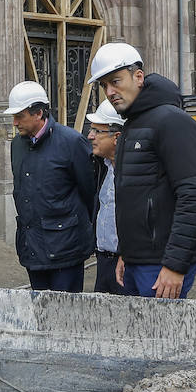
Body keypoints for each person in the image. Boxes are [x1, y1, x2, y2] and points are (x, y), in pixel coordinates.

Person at [88, 42, 196, 300]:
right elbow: (133, 197)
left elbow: (193, 197)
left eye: (116, 81)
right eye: (104, 85)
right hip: (136, 261)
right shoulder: (133, 124)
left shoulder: (173, 121)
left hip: (162, 265)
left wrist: (175, 265)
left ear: (138, 76)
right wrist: (126, 253)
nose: (110, 91)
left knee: (162, 339)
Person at [6, 80, 96, 292]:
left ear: (38, 113)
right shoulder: (17, 145)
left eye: (19, 116)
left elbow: (90, 193)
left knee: (67, 315)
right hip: (32, 249)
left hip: (66, 250)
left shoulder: (72, 142)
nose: (14, 122)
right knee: (40, 314)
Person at [86, 99, 126, 295]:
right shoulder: (103, 167)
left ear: (117, 137)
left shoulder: (133, 173)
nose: (90, 136)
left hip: (126, 264)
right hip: (103, 261)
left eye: (97, 131)